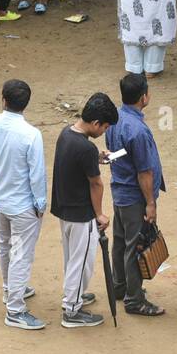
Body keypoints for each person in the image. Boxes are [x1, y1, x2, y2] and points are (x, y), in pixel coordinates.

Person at [0, 79, 48, 329]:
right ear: (25, 104)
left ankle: (10, 291)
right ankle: (15, 310)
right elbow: (36, 174)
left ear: (3, 99)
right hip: (23, 206)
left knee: (6, 248)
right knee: (20, 255)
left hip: (2, 199)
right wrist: (40, 205)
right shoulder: (31, 135)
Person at [52, 91, 119, 329]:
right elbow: (96, 183)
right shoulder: (86, 148)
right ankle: (71, 310)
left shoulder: (67, 135)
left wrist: (95, 157)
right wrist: (99, 213)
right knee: (82, 262)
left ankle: (74, 295)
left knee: (73, 258)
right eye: (104, 127)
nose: (104, 132)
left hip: (65, 208)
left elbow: (76, 163)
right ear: (96, 123)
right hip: (82, 214)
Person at [105, 73, 167, 316]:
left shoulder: (115, 119)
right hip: (134, 195)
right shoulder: (138, 130)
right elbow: (144, 171)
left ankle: (119, 286)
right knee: (135, 246)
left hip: (119, 190)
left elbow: (115, 153)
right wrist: (150, 203)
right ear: (144, 97)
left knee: (120, 242)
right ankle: (134, 299)